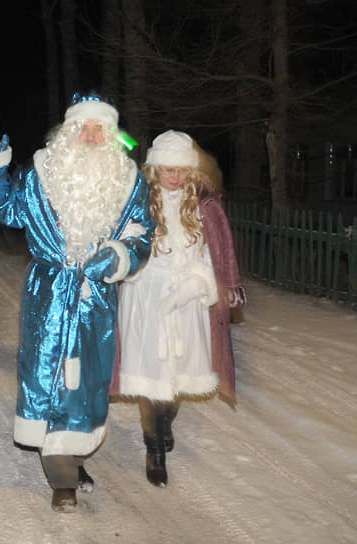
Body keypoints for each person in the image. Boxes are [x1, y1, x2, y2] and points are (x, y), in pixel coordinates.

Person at [0, 92, 156, 512]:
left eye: (100, 128)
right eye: (83, 127)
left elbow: (142, 232)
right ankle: (62, 478)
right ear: (69, 132)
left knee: (87, 382)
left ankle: (71, 456)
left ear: (110, 134)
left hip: (96, 301)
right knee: (46, 376)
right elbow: (6, 209)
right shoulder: (42, 172)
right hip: (48, 293)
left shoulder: (128, 180)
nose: (91, 136)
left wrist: (118, 255)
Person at [114, 130, 246, 488]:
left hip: (187, 299)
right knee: (151, 375)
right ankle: (154, 449)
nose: (174, 176)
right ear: (155, 169)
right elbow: (121, 244)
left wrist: (194, 286)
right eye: (167, 169)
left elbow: (212, 256)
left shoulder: (204, 207)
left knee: (181, 374)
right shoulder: (136, 201)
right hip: (145, 296)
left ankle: (165, 420)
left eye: (180, 170)